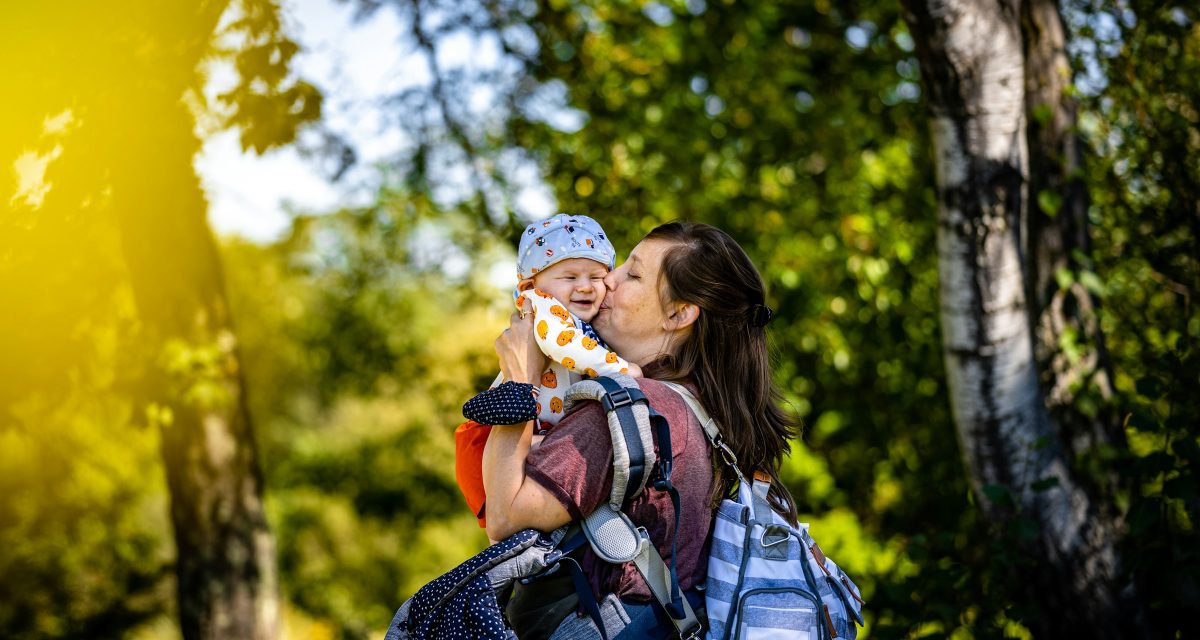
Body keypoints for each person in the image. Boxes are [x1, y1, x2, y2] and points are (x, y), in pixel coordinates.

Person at [484, 221, 800, 638]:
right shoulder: (699, 411)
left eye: (631, 274)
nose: (606, 280)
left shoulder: (628, 411)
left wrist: (519, 383)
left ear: (679, 314)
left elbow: (505, 516)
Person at [455, 213, 639, 528]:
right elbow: (563, 344)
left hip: (535, 430)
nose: (585, 287)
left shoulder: (579, 318)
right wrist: (622, 369)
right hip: (495, 437)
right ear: (530, 284)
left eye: (596, 277)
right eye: (570, 277)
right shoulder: (544, 307)